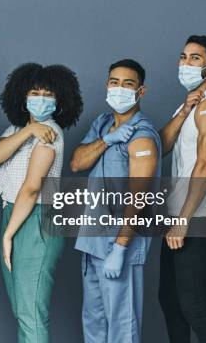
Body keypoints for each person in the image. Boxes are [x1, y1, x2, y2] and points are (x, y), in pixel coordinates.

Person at [0, 63, 83, 343]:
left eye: (48, 93)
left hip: (37, 219)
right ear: (22, 95)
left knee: (31, 315)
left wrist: (7, 235)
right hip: (15, 215)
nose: (40, 98)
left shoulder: (50, 133)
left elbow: (31, 189)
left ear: (60, 99)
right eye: (34, 91)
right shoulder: (19, 129)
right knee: (22, 310)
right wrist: (29, 131)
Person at [70, 59, 161, 343]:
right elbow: (77, 162)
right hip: (93, 241)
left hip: (118, 244)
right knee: (94, 324)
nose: (119, 89)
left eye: (128, 84)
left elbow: (141, 197)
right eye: (114, 82)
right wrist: (108, 140)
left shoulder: (143, 136)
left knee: (122, 328)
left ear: (141, 91)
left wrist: (120, 249)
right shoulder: (104, 123)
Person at [158, 35, 206, 343]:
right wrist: (181, 114)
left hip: (195, 217)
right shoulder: (191, 105)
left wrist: (183, 221)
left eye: (194, 58)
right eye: (183, 56)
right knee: (171, 301)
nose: (185, 63)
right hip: (179, 214)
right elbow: (160, 147)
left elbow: (205, 166)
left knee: (193, 306)